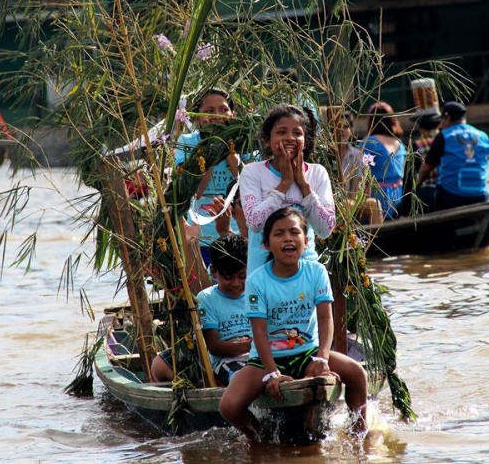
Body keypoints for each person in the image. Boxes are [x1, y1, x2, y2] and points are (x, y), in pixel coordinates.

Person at [219, 208, 368, 439]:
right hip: (264, 360)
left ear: (305, 241)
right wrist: (271, 374)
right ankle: (261, 439)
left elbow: (325, 318)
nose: (288, 238)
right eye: (279, 233)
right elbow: (259, 332)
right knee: (228, 406)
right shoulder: (257, 280)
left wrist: (322, 358)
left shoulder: (317, 272)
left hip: (307, 353)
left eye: (294, 232)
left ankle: (358, 435)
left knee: (358, 374)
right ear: (266, 244)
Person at [238, 104, 335, 273]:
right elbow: (255, 223)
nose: (290, 138)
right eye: (281, 132)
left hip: (306, 271)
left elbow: (325, 229)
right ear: (267, 140)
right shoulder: (252, 172)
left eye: (297, 133)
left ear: (305, 141)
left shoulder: (317, 173)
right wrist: (284, 183)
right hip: (262, 274)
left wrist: (304, 186)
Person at [151, 233, 251, 386]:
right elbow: (214, 346)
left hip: (258, 356)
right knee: (243, 379)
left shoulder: (256, 293)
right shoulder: (207, 298)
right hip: (227, 361)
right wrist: (252, 345)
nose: (236, 283)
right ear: (213, 272)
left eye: (242, 276)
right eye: (228, 277)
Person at [175, 88, 241, 266]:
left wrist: (232, 159)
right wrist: (212, 155)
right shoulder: (187, 142)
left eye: (223, 109)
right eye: (209, 111)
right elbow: (194, 193)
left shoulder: (244, 141)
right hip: (202, 236)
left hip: (238, 236)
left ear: (232, 115)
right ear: (197, 116)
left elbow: (250, 190)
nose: (217, 115)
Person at [416, 101, 489, 211]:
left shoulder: (444, 136)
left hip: (451, 198)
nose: (441, 124)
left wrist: (416, 186)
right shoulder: (484, 136)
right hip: (481, 196)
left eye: (442, 120)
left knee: (421, 193)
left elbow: (426, 169)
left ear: (447, 116)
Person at [360, 101, 408, 219]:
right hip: (400, 197)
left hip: (379, 198)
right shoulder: (400, 144)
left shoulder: (369, 142)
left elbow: (361, 173)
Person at [338, 110, 383, 224]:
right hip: (333, 203)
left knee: (375, 204)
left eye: (346, 127)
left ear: (351, 130)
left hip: (351, 202)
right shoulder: (327, 154)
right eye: (338, 127)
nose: (342, 131)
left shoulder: (358, 155)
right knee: (346, 204)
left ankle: (377, 240)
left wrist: (352, 203)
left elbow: (356, 187)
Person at [407, 112, 441, 213]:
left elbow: (409, 179)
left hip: (428, 196)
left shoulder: (418, 145)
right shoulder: (447, 140)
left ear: (421, 128)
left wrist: (406, 210)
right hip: (447, 191)